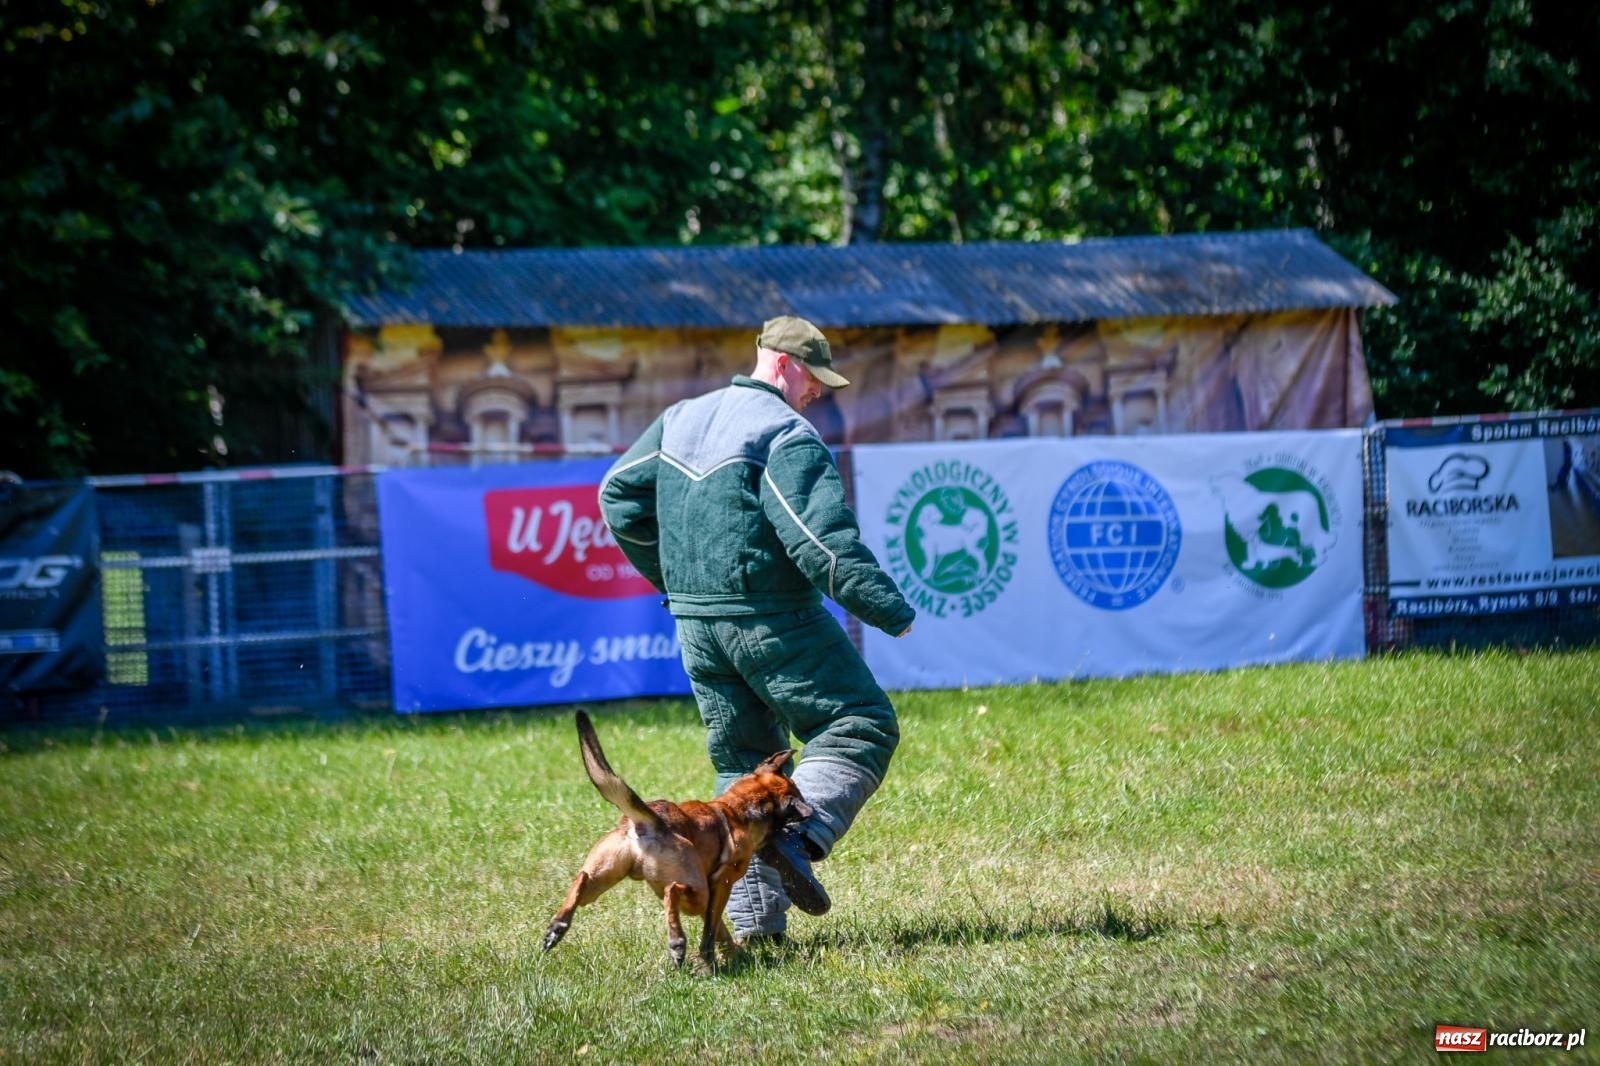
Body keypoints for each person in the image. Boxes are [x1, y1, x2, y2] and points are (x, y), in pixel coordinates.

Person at [598, 315, 915, 943]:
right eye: (814, 377)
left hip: (697, 626)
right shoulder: (784, 433)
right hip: (771, 620)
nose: (818, 392)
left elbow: (616, 495)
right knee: (859, 725)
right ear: (782, 363)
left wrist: (674, 578)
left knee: (743, 765)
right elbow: (820, 539)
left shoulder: (679, 418)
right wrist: (887, 609)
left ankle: (753, 928)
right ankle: (794, 833)